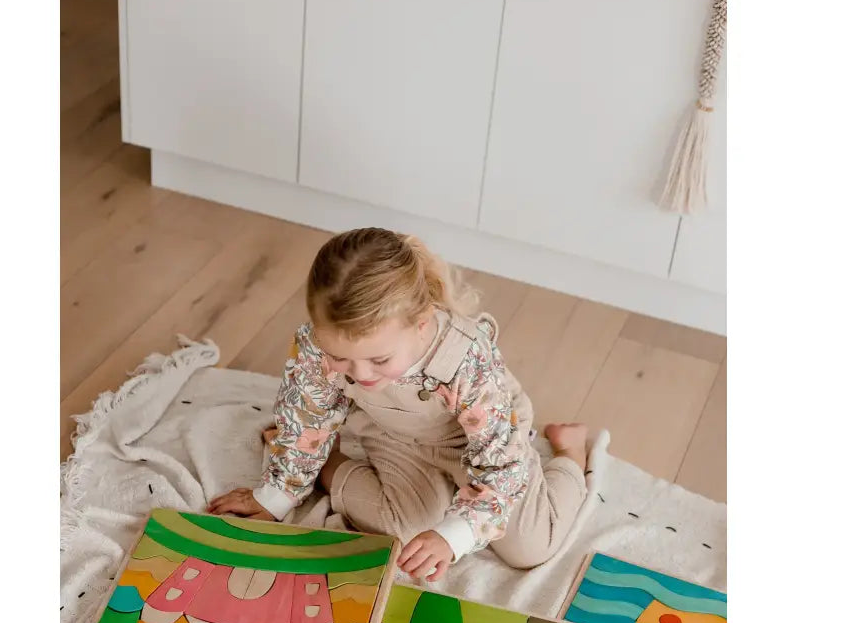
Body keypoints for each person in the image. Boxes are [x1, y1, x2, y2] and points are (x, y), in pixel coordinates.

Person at [208, 227, 590, 581]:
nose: (360, 375)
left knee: (532, 546)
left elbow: (500, 463)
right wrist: (278, 495)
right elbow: (308, 415)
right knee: (405, 535)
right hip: (393, 435)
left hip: (477, 443)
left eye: (378, 360)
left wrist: (454, 535)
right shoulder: (317, 344)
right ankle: (328, 464)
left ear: (421, 323)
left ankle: (571, 453)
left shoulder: (465, 357)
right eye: (341, 359)